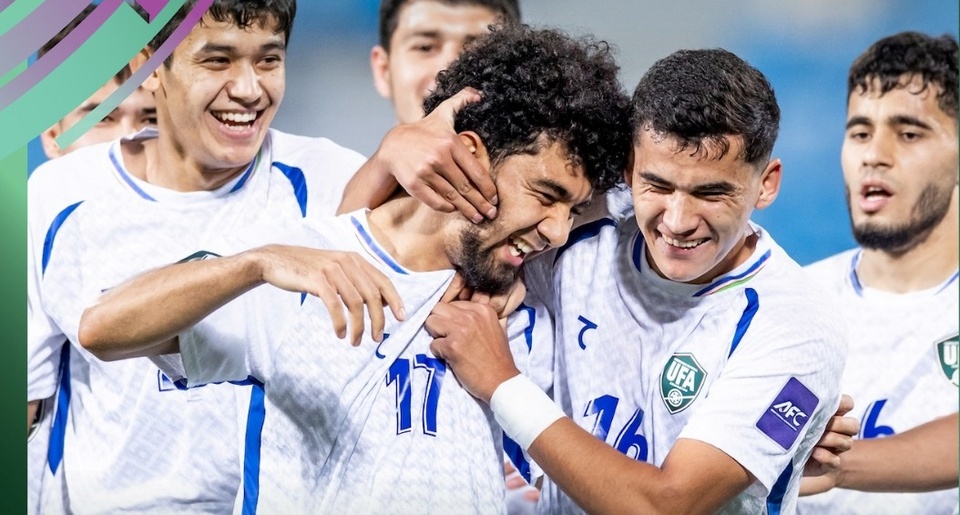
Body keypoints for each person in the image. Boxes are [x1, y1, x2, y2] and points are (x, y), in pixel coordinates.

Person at [74, 25, 633, 512]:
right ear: (468, 153)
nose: (558, 230)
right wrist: (256, 263)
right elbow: (102, 328)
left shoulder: (534, 298)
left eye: (573, 209)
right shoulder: (305, 264)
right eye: (545, 195)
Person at [427, 47, 849, 514]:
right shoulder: (578, 222)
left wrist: (501, 382)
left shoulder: (798, 325)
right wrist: (393, 156)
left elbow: (666, 507)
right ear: (628, 168)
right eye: (658, 186)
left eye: (711, 193)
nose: (678, 221)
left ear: (766, 184)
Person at [25, 0, 393, 511]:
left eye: (268, 60)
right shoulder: (60, 195)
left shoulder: (331, 180)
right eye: (218, 60)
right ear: (148, 68)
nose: (249, 89)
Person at [796, 31, 959, 513]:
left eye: (909, 134)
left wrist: (836, 464)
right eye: (860, 133)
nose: (874, 154)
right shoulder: (792, 300)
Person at [27, 4, 157, 514]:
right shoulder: (32, 234)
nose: (128, 139)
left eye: (150, 117)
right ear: (52, 134)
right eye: (101, 118)